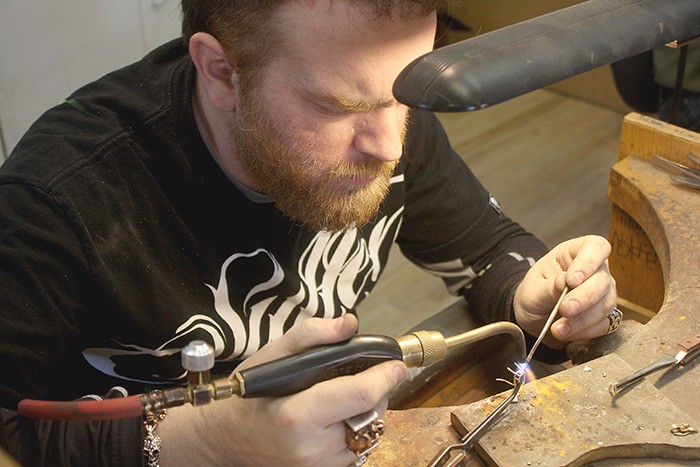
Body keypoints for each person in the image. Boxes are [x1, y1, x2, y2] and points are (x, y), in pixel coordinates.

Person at [0, 1, 617, 465]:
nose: (386, 144)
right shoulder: (54, 202)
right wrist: (204, 442)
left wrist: (534, 296)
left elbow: (484, 248)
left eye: (403, 93)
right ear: (220, 74)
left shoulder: (388, 118)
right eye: (336, 106)